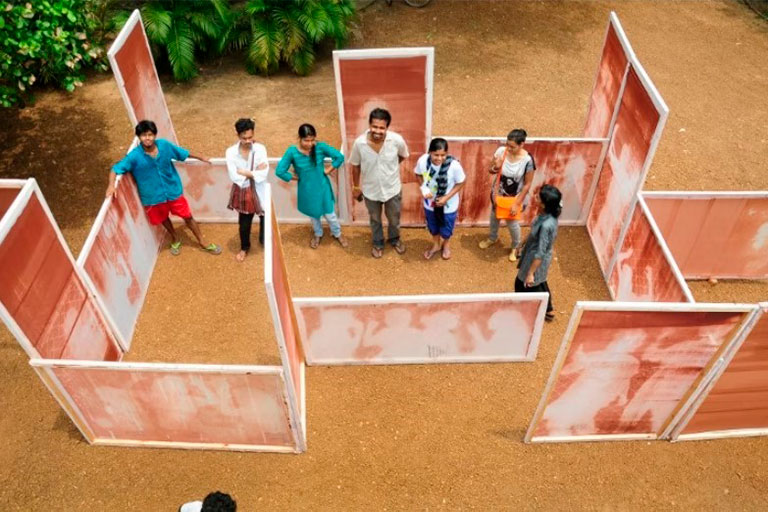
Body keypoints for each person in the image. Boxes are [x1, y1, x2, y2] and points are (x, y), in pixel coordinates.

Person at [107, 119, 221, 256]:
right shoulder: (133, 157)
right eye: (143, 135)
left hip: (173, 191)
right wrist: (111, 186)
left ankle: (202, 241)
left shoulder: (165, 146)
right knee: (163, 219)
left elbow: (182, 153)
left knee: (187, 216)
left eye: (149, 134)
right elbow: (115, 169)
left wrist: (201, 157)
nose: (147, 138)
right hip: (152, 197)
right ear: (139, 137)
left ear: (154, 135)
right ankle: (174, 237)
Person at [348, 107, 409, 258]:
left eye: (382, 128)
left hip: (392, 190)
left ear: (387, 128)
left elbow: (402, 156)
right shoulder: (359, 144)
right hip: (371, 191)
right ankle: (378, 243)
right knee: (375, 219)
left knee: (394, 219)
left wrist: (391, 168)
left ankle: (394, 239)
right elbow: (355, 166)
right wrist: (356, 187)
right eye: (374, 126)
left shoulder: (396, 141)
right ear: (369, 125)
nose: (377, 131)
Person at [275, 124, 348, 249]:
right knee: (314, 216)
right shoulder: (292, 152)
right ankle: (318, 234)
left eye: (312, 140)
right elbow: (280, 171)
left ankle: (337, 233)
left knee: (330, 216)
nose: (309, 144)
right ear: (299, 138)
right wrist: (297, 178)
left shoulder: (320, 147)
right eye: (306, 140)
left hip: (323, 188)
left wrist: (328, 170)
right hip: (307, 191)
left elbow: (339, 157)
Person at [478, 129, 535, 262]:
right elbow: (490, 170)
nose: (508, 148)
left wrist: (516, 203)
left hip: (515, 198)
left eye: (512, 146)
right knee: (494, 216)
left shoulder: (528, 160)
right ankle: (492, 238)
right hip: (498, 194)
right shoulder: (500, 152)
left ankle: (515, 246)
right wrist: (496, 167)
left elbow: (527, 184)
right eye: (507, 144)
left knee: (512, 223)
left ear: (522, 144)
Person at [515, 184, 562, 322]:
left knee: (522, 283)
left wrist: (530, 273)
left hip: (535, 259)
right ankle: (548, 309)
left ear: (544, 204)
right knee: (541, 282)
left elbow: (540, 251)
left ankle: (525, 311)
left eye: (539, 197)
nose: (536, 197)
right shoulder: (545, 216)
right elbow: (533, 233)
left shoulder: (547, 224)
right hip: (533, 254)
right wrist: (522, 243)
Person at [415, 138, 466, 260]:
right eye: (436, 155)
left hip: (449, 205)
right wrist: (424, 188)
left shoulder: (454, 166)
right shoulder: (422, 161)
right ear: (430, 152)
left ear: (447, 154)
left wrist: (446, 197)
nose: (439, 158)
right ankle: (436, 245)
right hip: (430, 203)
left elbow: (462, 182)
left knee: (447, 227)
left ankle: (446, 244)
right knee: (433, 225)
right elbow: (417, 174)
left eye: (443, 155)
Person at [225, 118, 268, 262]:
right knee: (244, 223)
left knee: (265, 217)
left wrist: (244, 172)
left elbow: (264, 172)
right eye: (244, 138)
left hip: (260, 189)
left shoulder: (260, 149)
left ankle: (264, 240)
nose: (248, 141)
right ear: (238, 136)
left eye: (250, 137)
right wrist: (254, 172)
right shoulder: (230, 152)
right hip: (243, 191)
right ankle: (244, 247)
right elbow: (234, 175)